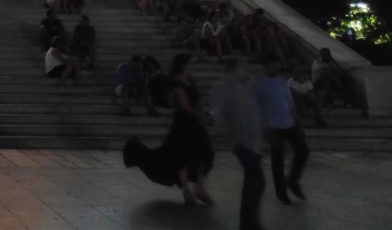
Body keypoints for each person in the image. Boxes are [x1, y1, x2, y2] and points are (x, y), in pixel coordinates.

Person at [124, 54, 214, 206]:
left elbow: (196, 101)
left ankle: (199, 187)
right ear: (183, 64)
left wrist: (201, 113)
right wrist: (201, 115)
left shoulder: (189, 80)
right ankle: (186, 190)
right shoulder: (176, 83)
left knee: (204, 154)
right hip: (184, 124)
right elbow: (183, 105)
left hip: (194, 123)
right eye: (190, 63)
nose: (192, 66)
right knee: (182, 157)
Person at [213, 58, 266, 230]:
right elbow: (220, 112)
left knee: (254, 180)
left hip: (253, 139)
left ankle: (249, 220)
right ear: (234, 69)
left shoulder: (247, 85)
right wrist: (223, 130)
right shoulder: (224, 86)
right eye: (243, 67)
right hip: (240, 140)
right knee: (256, 179)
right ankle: (248, 222)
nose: (246, 69)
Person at [255, 53, 309, 204]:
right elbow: (255, 106)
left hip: (288, 122)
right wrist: (264, 127)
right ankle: (281, 192)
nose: (277, 70)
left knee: (303, 150)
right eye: (273, 67)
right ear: (265, 66)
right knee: (277, 159)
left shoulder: (281, 80)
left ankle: (292, 180)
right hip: (272, 126)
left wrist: (297, 121)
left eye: (278, 67)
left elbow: (289, 102)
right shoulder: (258, 83)